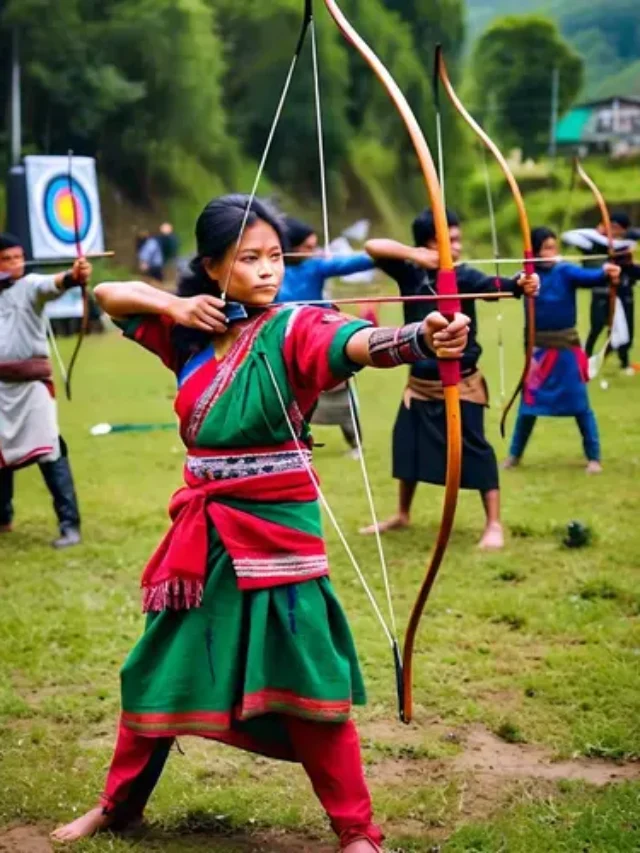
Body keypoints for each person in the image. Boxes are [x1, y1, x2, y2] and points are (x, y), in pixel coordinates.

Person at [52, 194, 469, 851]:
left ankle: (356, 831)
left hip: (278, 535)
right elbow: (110, 293)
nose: (270, 270)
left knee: (307, 674)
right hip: (204, 537)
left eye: (277, 257)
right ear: (213, 267)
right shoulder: (189, 337)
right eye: (250, 258)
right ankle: (116, 804)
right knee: (155, 665)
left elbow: (353, 342)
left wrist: (419, 338)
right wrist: (172, 304)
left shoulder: (293, 327)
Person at [361, 209, 539, 550]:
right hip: (419, 383)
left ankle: (494, 524)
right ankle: (402, 514)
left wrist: (522, 282)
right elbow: (373, 246)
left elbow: (498, 286)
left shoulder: (465, 276)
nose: (456, 247)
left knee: (476, 450)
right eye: (448, 240)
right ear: (428, 243)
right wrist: (417, 256)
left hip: (461, 381)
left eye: (457, 239)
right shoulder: (410, 272)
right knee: (407, 445)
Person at [503, 227, 621, 474]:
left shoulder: (565, 271)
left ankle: (594, 457)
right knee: (528, 407)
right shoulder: (527, 275)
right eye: (546, 248)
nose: (552, 253)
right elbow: (507, 286)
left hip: (566, 351)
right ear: (534, 251)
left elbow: (590, 277)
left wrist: (607, 272)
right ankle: (514, 456)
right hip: (538, 354)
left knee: (580, 405)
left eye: (554, 247)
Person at [0, 232, 90, 548]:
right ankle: (3, 517)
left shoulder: (30, 286)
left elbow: (51, 284)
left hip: (32, 387)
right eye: (7, 259)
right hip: (0, 388)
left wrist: (73, 276)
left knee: (49, 450)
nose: (15, 264)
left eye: (18, 257)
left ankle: (70, 525)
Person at [278, 216, 378, 458]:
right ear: (290, 248)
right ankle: (292, 444)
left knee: (340, 394)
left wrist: (389, 256)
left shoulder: (315, 266)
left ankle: (355, 444)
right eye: (309, 248)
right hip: (282, 343)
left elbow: (349, 264)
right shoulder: (272, 271)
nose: (315, 253)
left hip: (316, 340)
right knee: (286, 398)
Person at [561, 211, 636, 370]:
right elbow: (569, 235)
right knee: (597, 327)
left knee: (624, 330)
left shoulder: (625, 244)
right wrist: (602, 234)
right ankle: (586, 359)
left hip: (622, 293)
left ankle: (623, 362)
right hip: (601, 292)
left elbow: (629, 266)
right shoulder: (593, 244)